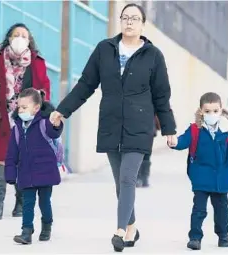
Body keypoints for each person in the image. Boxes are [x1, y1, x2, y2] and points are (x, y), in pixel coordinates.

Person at [50, 3, 177, 252]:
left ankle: (119, 231)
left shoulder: (153, 55)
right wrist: (62, 110)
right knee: (120, 182)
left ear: (142, 24)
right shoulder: (104, 49)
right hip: (110, 123)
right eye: (125, 17)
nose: (129, 22)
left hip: (140, 125)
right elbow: (86, 84)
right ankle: (132, 227)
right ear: (120, 21)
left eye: (135, 18)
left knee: (129, 177)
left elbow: (162, 96)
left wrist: (169, 129)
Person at [0, 23, 51, 220]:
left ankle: (20, 204)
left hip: (25, 119)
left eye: (24, 35)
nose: (19, 38)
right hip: (1, 117)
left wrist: (41, 95)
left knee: (22, 160)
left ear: (29, 41)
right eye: (15, 35)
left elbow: (45, 86)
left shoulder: (37, 62)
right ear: (9, 38)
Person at [169, 92, 228, 250]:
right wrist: (174, 142)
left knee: (222, 210)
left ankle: (223, 235)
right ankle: (195, 237)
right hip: (201, 176)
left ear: (221, 110)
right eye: (207, 111)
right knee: (199, 210)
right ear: (201, 111)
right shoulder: (195, 129)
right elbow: (183, 141)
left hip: (222, 178)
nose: (212, 114)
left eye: (215, 111)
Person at [4, 88, 63, 245]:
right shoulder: (17, 128)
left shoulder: (44, 123)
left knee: (44, 202)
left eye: (24, 107)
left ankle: (47, 225)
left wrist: (57, 124)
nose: (21, 110)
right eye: (19, 107)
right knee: (27, 202)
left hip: (45, 171)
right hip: (26, 172)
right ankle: (26, 231)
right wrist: (10, 172)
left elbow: (54, 132)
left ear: (36, 108)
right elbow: (11, 153)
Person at [136, 116, 160, 188]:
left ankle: (140, 177)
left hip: (138, 131)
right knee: (146, 154)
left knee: (139, 154)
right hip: (149, 130)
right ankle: (144, 178)